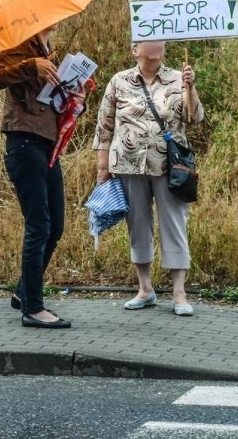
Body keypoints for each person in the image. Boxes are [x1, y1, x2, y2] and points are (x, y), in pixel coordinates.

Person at [94, 40, 204, 316]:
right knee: (138, 225)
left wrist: (190, 88)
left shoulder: (179, 77)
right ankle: (145, 290)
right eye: (149, 41)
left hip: (169, 166)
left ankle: (179, 294)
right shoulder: (119, 81)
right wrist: (102, 168)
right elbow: (104, 127)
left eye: (160, 41)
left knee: (174, 224)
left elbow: (194, 117)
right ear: (134, 50)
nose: (157, 44)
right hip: (129, 166)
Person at [0, 24, 83, 329]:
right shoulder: (21, 46)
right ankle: (33, 308)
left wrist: (74, 93)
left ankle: (24, 292)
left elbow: (50, 101)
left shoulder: (48, 51)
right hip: (24, 141)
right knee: (39, 224)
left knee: (54, 226)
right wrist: (31, 66)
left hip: (46, 143)